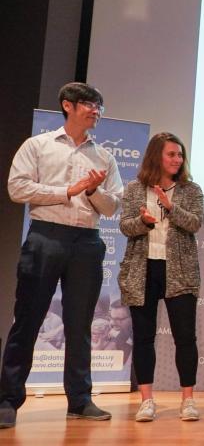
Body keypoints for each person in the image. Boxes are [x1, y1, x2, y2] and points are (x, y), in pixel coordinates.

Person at [0, 82, 122, 428]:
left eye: (100, 106)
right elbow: (17, 187)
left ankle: (80, 400)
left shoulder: (104, 156)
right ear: (68, 106)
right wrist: (67, 190)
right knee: (28, 319)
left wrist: (94, 189)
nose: (96, 111)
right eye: (89, 104)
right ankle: (8, 400)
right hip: (45, 236)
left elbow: (112, 207)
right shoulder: (38, 146)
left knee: (80, 323)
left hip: (87, 240)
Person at [118, 132, 204, 422]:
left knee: (185, 337)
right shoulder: (134, 188)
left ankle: (188, 400)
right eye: (171, 154)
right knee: (143, 337)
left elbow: (194, 223)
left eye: (180, 155)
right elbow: (126, 227)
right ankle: (146, 400)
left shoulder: (191, 190)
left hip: (179, 271)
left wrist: (170, 206)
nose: (177, 160)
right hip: (143, 270)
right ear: (157, 156)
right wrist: (143, 221)